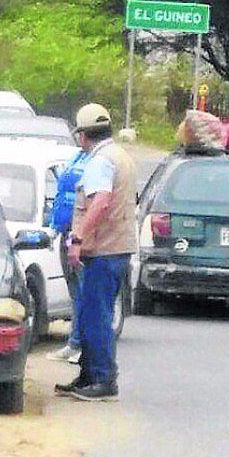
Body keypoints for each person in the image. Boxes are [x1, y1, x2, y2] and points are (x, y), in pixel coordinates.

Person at [54, 103, 136, 402]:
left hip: (103, 249)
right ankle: (88, 375)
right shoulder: (120, 156)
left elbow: (100, 202)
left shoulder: (99, 161)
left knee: (96, 317)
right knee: (92, 314)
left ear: (83, 135)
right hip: (117, 247)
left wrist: (77, 238)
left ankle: (102, 379)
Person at [45, 145, 90, 364]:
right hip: (66, 231)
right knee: (75, 292)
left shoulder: (97, 161)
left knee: (84, 292)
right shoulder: (77, 157)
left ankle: (81, 345)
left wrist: (78, 236)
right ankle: (74, 342)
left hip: (80, 234)